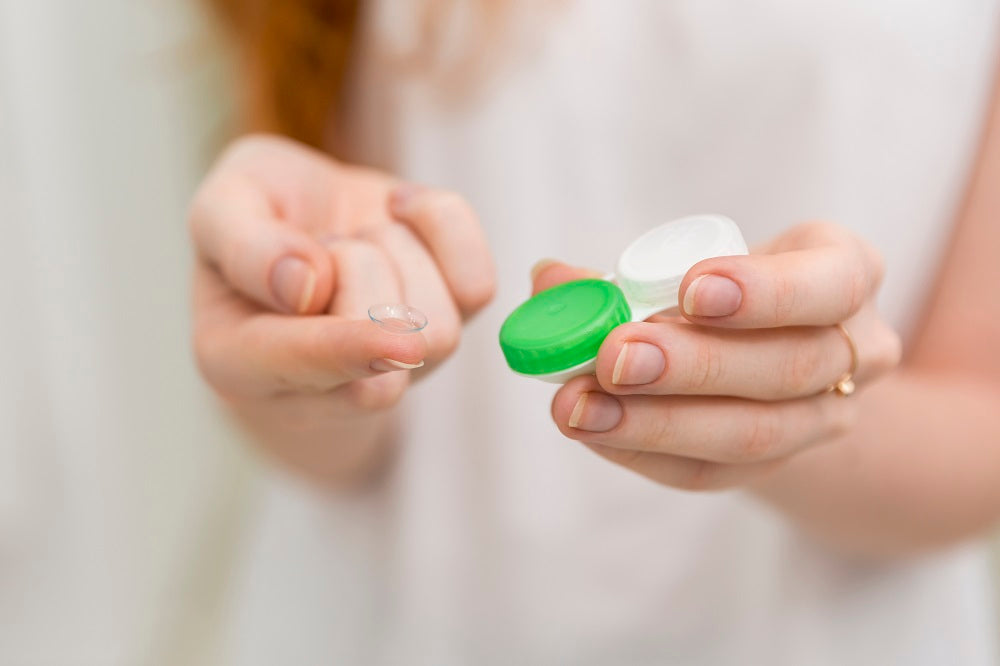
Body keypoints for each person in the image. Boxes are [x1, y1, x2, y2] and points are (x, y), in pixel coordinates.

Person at [191, 1, 1000, 663]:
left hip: (827, 633)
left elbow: (982, 417)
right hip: (394, 619)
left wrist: (809, 409)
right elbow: (328, 419)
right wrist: (301, 349)